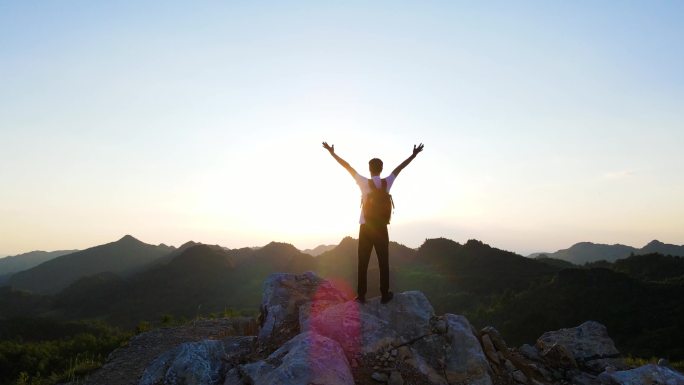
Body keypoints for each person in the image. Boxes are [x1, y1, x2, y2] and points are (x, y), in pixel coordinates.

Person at [322, 141, 424, 304]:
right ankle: (384, 294)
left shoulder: (363, 182)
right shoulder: (387, 182)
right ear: (381, 169)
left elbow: (346, 166)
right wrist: (414, 154)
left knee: (363, 261)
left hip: (366, 227)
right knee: (384, 261)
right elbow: (400, 168)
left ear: (370, 169)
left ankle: (361, 295)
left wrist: (332, 152)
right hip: (381, 228)